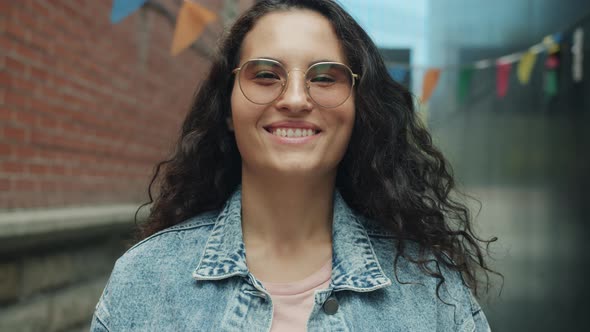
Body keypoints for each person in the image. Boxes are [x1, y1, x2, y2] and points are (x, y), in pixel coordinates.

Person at [91, 0, 497, 331]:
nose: (296, 99)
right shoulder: (145, 281)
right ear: (228, 109)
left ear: (359, 109)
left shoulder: (428, 289)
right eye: (266, 74)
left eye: (325, 78)